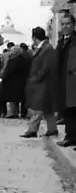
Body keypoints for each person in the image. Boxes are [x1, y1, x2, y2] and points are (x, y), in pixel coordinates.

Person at [21, 27, 58, 138]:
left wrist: (36, 78)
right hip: (42, 82)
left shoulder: (47, 48)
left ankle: (32, 130)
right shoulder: (43, 47)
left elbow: (46, 67)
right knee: (47, 108)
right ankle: (52, 129)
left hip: (43, 82)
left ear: (34, 37)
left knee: (38, 106)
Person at [56, 10, 76, 148]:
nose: (65, 27)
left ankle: (72, 137)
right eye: (62, 24)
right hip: (63, 81)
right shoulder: (61, 41)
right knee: (67, 110)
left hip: (73, 80)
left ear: (73, 25)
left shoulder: (74, 40)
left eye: (67, 24)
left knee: (73, 110)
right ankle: (70, 136)